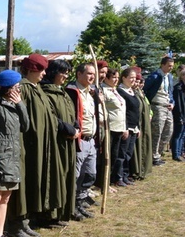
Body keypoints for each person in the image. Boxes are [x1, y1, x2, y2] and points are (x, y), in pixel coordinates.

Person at [10, 53, 61, 237]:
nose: (44, 73)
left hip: (40, 145)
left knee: (34, 182)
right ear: (31, 69)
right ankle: (17, 224)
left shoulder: (37, 88)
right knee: (23, 185)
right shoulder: (22, 89)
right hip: (27, 146)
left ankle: (27, 221)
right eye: (41, 69)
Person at [0, 70, 29, 237]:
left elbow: (26, 126)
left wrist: (20, 104)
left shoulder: (16, 102)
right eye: (16, 86)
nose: (19, 89)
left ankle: (0, 234)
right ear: (7, 87)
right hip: (0, 157)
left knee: (6, 197)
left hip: (13, 157)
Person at [41, 59, 79, 225]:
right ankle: (50, 215)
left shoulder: (62, 92)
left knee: (66, 177)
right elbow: (51, 118)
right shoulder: (46, 93)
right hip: (55, 143)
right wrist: (69, 130)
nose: (65, 76)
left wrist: (76, 127)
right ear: (53, 73)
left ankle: (63, 211)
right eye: (62, 72)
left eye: (67, 72)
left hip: (68, 144)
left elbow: (72, 114)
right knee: (55, 178)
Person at [66, 63, 102, 220]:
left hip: (91, 140)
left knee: (89, 174)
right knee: (76, 175)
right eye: (89, 74)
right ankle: (71, 206)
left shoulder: (91, 92)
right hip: (79, 140)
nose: (92, 77)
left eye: (94, 74)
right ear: (79, 74)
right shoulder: (72, 92)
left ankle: (80, 202)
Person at [143, 56, 175, 166]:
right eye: (169, 66)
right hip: (157, 106)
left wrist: (172, 102)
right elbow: (145, 90)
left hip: (167, 106)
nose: (171, 68)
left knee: (168, 131)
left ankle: (158, 153)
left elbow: (171, 91)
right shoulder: (155, 76)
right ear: (162, 65)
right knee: (157, 132)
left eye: (172, 66)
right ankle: (153, 156)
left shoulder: (169, 77)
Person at [100, 69, 128, 186]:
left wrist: (125, 127)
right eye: (113, 77)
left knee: (115, 155)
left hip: (119, 128)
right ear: (106, 78)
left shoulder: (115, 90)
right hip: (109, 128)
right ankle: (103, 182)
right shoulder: (103, 91)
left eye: (117, 77)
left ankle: (110, 180)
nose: (116, 80)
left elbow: (121, 110)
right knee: (107, 156)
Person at [116, 67, 141, 184]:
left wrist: (138, 127)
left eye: (134, 78)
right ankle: (118, 177)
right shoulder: (120, 92)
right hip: (126, 127)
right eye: (131, 77)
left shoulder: (132, 91)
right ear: (124, 78)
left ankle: (125, 175)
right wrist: (125, 127)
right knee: (122, 154)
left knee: (128, 154)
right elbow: (123, 112)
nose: (133, 80)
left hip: (134, 127)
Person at [130, 68, 153, 180]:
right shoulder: (132, 92)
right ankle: (136, 170)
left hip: (144, 123)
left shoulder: (140, 92)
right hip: (136, 123)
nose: (138, 83)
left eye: (139, 81)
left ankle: (143, 168)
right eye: (135, 81)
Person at [170, 67, 185, 161]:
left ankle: (179, 153)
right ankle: (176, 154)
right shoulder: (178, 88)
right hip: (179, 115)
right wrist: (180, 116)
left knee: (183, 135)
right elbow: (179, 104)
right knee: (178, 134)